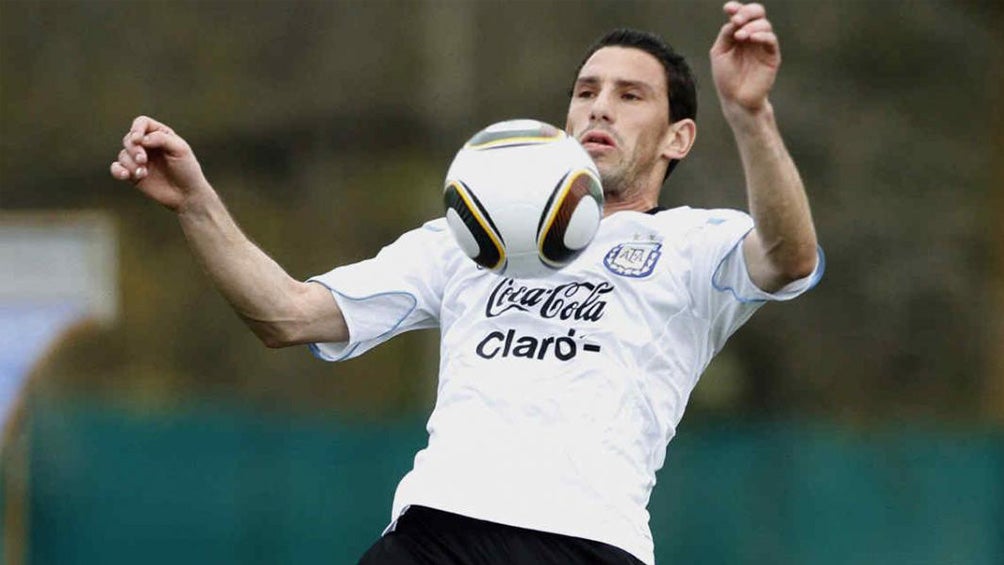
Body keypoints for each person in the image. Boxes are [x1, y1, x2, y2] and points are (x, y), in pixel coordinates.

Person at [109, 2, 822, 564]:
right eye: (585, 91)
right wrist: (197, 203)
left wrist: (750, 115)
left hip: (586, 542)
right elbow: (288, 314)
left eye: (630, 95)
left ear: (679, 138)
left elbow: (789, 256)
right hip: (435, 532)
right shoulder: (473, 235)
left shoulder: (692, 244)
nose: (599, 106)